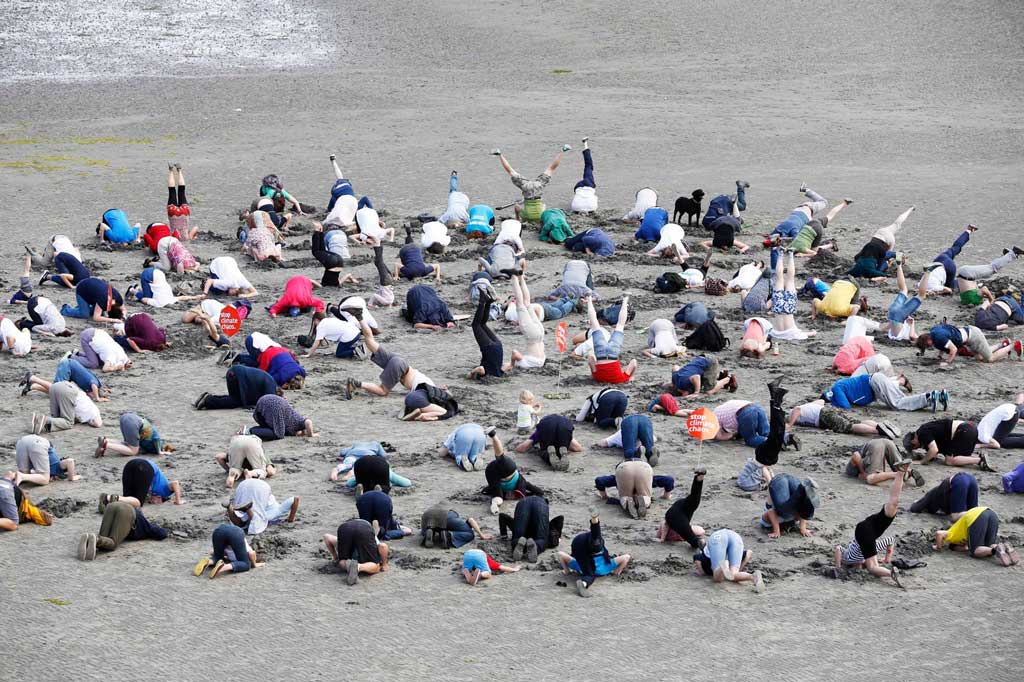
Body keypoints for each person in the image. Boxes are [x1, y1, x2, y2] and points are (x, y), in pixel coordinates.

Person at [833, 463, 910, 586]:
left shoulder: (848, 558)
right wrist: (887, 559)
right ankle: (900, 473)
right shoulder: (862, 552)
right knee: (894, 501)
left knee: (872, 567)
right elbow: (890, 540)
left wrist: (838, 567)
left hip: (868, 531)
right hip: (872, 526)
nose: (858, 567)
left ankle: (891, 574)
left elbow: (838, 548)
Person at [343, 321, 434, 399]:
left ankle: (360, 318)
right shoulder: (428, 390)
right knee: (383, 391)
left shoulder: (429, 384)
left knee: (371, 342)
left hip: (400, 361)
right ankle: (356, 383)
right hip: (400, 368)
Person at [557, 508, 631, 597]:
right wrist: (617, 572)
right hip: (595, 558)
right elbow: (626, 557)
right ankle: (583, 583)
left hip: (579, 543)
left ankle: (595, 519)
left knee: (595, 538)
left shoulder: (580, 564)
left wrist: (567, 571)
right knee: (596, 538)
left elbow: (560, 554)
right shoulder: (607, 567)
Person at [495, 145, 568, 222]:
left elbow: (543, 206)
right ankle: (499, 154)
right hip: (526, 188)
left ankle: (563, 150)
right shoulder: (526, 217)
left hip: (538, 187)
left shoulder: (542, 216)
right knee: (511, 171)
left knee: (551, 169)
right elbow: (517, 207)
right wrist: (520, 205)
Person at [76, 501, 166, 560]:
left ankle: (90, 538)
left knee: (104, 539)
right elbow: (161, 533)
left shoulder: (142, 520)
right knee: (112, 543)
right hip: (127, 511)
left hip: (111, 505)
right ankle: (96, 539)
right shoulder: (147, 527)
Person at [822, 372, 946, 413]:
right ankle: (937, 396)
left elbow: (845, 407)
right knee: (902, 400)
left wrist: (833, 404)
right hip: (876, 384)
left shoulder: (836, 388)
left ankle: (929, 397)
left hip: (874, 384)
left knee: (898, 404)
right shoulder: (840, 386)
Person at [933, 506, 1018, 566]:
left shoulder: (951, 534)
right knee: (988, 545)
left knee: (974, 551)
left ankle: (996, 550)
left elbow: (939, 533)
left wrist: (938, 547)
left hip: (977, 516)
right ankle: (1005, 548)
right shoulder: (964, 537)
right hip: (991, 513)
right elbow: (965, 548)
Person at [594, 459, 675, 519]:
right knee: (645, 496)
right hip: (643, 466)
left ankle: (627, 502)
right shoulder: (652, 480)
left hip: (623, 467)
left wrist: (604, 496)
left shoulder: (615, 479)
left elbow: (599, 480)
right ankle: (644, 500)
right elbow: (669, 480)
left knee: (625, 497)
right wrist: (666, 496)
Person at [903, 419, 995, 470]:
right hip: (971, 429)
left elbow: (934, 450)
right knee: (957, 456)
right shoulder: (925, 432)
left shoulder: (922, 433)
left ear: (913, 440)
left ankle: (979, 460)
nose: (918, 447)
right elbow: (933, 454)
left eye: (914, 446)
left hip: (964, 431)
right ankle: (977, 457)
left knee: (949, 461)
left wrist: (922, 461)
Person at [915, 322, 1020, 366]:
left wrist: (947, 362)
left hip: (974, 336)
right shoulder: (933, 332)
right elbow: (943, 345)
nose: (928, 347)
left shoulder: (938, 337)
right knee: (979, 358)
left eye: (927, 346)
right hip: (968, 334)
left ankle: (1013, 345)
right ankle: (1002, 345)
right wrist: (939, 356)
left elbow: (953, 350)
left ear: (927, 340)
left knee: (989, 359)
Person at [788, 399, 900, 439]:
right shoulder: (807, 406)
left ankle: (878, 430)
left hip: (823, 416)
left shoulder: (793, 412)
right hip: (829, 409)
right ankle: (879, 425)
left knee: (850, 427)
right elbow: (821, 401)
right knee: (857, 421)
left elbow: (796, 410)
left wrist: (790, 424)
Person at [849, 206, 914, 276]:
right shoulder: (892, 235)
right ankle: (899, 259)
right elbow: (899, 221)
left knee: (885, 257)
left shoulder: (884, 230)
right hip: (888, 240)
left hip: (879, 234)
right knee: (885, 259)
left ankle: (897, 258)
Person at [693, 529, 765, 591]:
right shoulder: (705, 551)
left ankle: (722, 566)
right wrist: (739, 568)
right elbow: (747, 554)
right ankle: (752, 577)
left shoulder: (703, 554)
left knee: (717, 578)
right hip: (735, 536)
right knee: (733, 574)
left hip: (718, 537)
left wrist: (702, 573)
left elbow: (697, 558)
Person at [585, 296, 636, 383]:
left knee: (620, 325)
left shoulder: (621, 379)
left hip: (613, 353)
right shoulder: (597, 377)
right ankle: (589, 299)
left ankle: (625, 300)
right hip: (600, 353)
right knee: (595, 324)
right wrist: (592, 374)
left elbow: (634, 362)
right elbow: (590, 359)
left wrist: (631, 376)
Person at [323, 518, 389, 584]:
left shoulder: (341, 541)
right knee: (376, 566)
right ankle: (358, 567)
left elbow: (326, 537)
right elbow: (383, 546)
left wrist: (336, 557)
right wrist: (384, 564)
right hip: (364, 528)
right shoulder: (372, 538)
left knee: (342, 561)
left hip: (344, 528)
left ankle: (349, 565)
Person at [498, 495, 564, 562]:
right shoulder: (543, 503)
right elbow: (560, 518)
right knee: (542, 539)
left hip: (523, 503)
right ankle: (536, 546)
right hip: (541, 506)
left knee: (517, 537)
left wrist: (504, 535)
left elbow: (502, 516)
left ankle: (518, 543)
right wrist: (558, 537)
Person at [98, 457, 183, 509]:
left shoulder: (151, 492)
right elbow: (175, 483)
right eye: (157, 502)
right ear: (161, 498)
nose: (153, 502)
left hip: (131, 464)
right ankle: (109, 497)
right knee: (138, 503)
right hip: (145, 467)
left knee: (127, 501)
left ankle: (107, 502)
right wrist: (178, 501)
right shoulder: (165, 491)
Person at [227, 478, 299, 535]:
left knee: (240, 517)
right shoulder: (277, 512)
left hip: (244, 483)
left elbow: (295, 499)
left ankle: (230, 508)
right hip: (261, 487)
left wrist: (291, 517)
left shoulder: (276, 508)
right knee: (253, 519)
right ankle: (244, 509)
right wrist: (291, 519)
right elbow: (296, 499)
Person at [467, 284, 510, 379]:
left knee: (482, 324)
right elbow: (481, 369)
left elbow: (507, 365)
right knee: (476, 325)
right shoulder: (487, 373)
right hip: (489, 348)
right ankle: (482, 302)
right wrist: (471, 374)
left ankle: (488, 302)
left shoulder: (499, 372)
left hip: (499, 347)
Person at [30, 380, 102, 435]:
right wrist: (90, 422)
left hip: (55, 386)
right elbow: (98, 424)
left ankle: (37, 421)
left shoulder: (88, 408)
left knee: (57, 419)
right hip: (68, 392)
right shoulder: (95, 412)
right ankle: (44, 420)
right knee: (68, 423)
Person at [514, 414, 584, 470]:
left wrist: (516, 448)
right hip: (565, 427)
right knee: (563, 445)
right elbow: (578, 448)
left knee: (543, 451)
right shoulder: (564, 421)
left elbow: (522, 448)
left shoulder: (542, 427)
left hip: (547, 427)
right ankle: (562, 453)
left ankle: (548, 456)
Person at [194, 524, 264, 579]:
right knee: (246, 565)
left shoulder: (233, 555)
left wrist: (216, 554)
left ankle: (208, 561)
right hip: (234, 534)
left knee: (218, 557)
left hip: (219, 530)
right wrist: (254, 564)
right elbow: (252, 553)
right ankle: (223, 567)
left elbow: (212, 552)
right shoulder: (241, 555)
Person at [760, 473, 818, 538]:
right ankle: (804, 488)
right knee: (801, 507)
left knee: (786, 513)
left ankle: (803, 488)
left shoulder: (766, 523)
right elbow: (802, 512)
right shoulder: (792, 518)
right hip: (790, 479)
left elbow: (771, 511)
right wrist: (803, 528)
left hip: (778, 482)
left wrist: (776, 531)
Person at [21, 359, 108, 403]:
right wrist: (97, 398)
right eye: (92, 395)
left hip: (70, 369)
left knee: (58, 393)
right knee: (58, 389)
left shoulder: (92, 387)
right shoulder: (95, 384)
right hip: (68, 366)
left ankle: (32, 386)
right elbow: (94, 385)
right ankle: (32, 378)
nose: (90, 396)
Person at [656, 470, 707, 544]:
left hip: (676, 514)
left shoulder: (677, 529)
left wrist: (662, 539)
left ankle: (699, 479)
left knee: (694, 500)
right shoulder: (680, 529)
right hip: (678, 512)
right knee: (694, 500)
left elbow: (665, 524)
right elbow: (665, 524)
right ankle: (699, 480)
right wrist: (662, 539)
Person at [507, 274, 546, 369]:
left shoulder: (539, 363)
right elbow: (515, 353)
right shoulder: (524, 363)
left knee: (527, 303)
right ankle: (515, 278)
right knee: (520, 304)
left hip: (541, 335)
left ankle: (520, 277)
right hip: (532, 336)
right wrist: (511, 364)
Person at [768, 185, 838, 239]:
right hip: (797, 211)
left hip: (808, 208)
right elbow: (770, 235)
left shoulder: (793, 230)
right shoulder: (780, 227)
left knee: (824, 202)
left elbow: (796, 239)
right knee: (821, 204)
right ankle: (806, 190)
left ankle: (806, 190)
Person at [845, 439, 924, 486]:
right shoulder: (864, 458)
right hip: (888, 442)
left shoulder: (850, 470)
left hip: (875, 445)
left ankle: (896, 474)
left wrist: (863, 473)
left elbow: (855, 455)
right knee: (901, 472)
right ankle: (909, 471)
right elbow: (881, 456)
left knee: (870, 478)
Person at [592, 414, 661, 466]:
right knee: (649, 446)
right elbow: (654, 438)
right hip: (645, 420)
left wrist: (596, 443)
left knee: (629, 452)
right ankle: (650, 453)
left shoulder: (618, 435)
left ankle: (635, 453)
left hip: (629, 421)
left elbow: (603, 442)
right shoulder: (618, 435)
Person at [96, 412, 172, 457]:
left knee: (128, 444)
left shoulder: (147, 444)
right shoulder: (158, 444)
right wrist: (159, 451)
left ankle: (105, 439)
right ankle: (106, 444)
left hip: (126, 417)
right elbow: (157, 439)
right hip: (135, 423)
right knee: (133, 451)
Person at [13, 434, 78, 485]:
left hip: (22, 441)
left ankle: (11, 476)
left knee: (25, 474)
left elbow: (34, 473)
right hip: (37, 444)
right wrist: (72, 478)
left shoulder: (44, 465)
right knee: (45, 479)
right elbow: (70, 461)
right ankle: (21, 476)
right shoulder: (58, 465)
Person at [910, 472, 979, 520]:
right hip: (971, 479)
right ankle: (981, 513)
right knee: (973, 511)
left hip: (957, 482)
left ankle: (980, 514)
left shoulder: (933, 495)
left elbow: (914, 508)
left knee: (956, 515)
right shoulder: (943, 495)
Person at [244, 394, 316, 441]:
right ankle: (249, 431)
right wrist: (311, 434)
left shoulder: (291, 428)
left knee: (271, 429)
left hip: (264, 400)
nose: (301, 434)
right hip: (273, 405)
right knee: (278, 434)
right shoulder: (299, 421)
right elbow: (308, 422)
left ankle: (248, 430)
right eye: (303, 432)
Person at [420, 504, 492, 548]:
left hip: (427, 514)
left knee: (434, 527)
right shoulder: (465, 527)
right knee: (470, 534)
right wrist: (481, 535)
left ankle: (430, 532)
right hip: (447, 516)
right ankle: (448, 536)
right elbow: (471, 520)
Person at [311, 222, 358, 287]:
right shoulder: (324, 285)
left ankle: (320, 231)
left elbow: (348, 275)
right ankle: (318, 231)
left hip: (340, 261)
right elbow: (312, 281)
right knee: (316, 251)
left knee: (321, 251)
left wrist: (353, 279)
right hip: (331, 263)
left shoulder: (337, 283)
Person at [666, 354, 734, 397]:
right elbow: (675, 367)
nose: (685, 396)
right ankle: (720, 375)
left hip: (710, 362)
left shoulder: (685, 383)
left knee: (708, 391)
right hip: (700, 359)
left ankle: (728, 378)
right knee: (702, 381)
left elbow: (697, 377)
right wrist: (672, 383)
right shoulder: (675, 379)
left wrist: (696, 392)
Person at [60, 277, 124, 322]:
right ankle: (65, 309)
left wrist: (124, 316)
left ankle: (82, 308)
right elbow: (96, 318)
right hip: (82, 289)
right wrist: (112, 320)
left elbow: (123, 309)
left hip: (93, 287)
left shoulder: (118, 299)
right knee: (84, 314)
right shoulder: (103, 301)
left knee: (101, 313)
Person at [569, 137, 598, 212]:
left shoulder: (593, 206)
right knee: (588, 167)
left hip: (578, 205)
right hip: (578, 204)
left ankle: (585, 144)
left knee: (588, 166)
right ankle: (585, 144)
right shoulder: (593, 207)